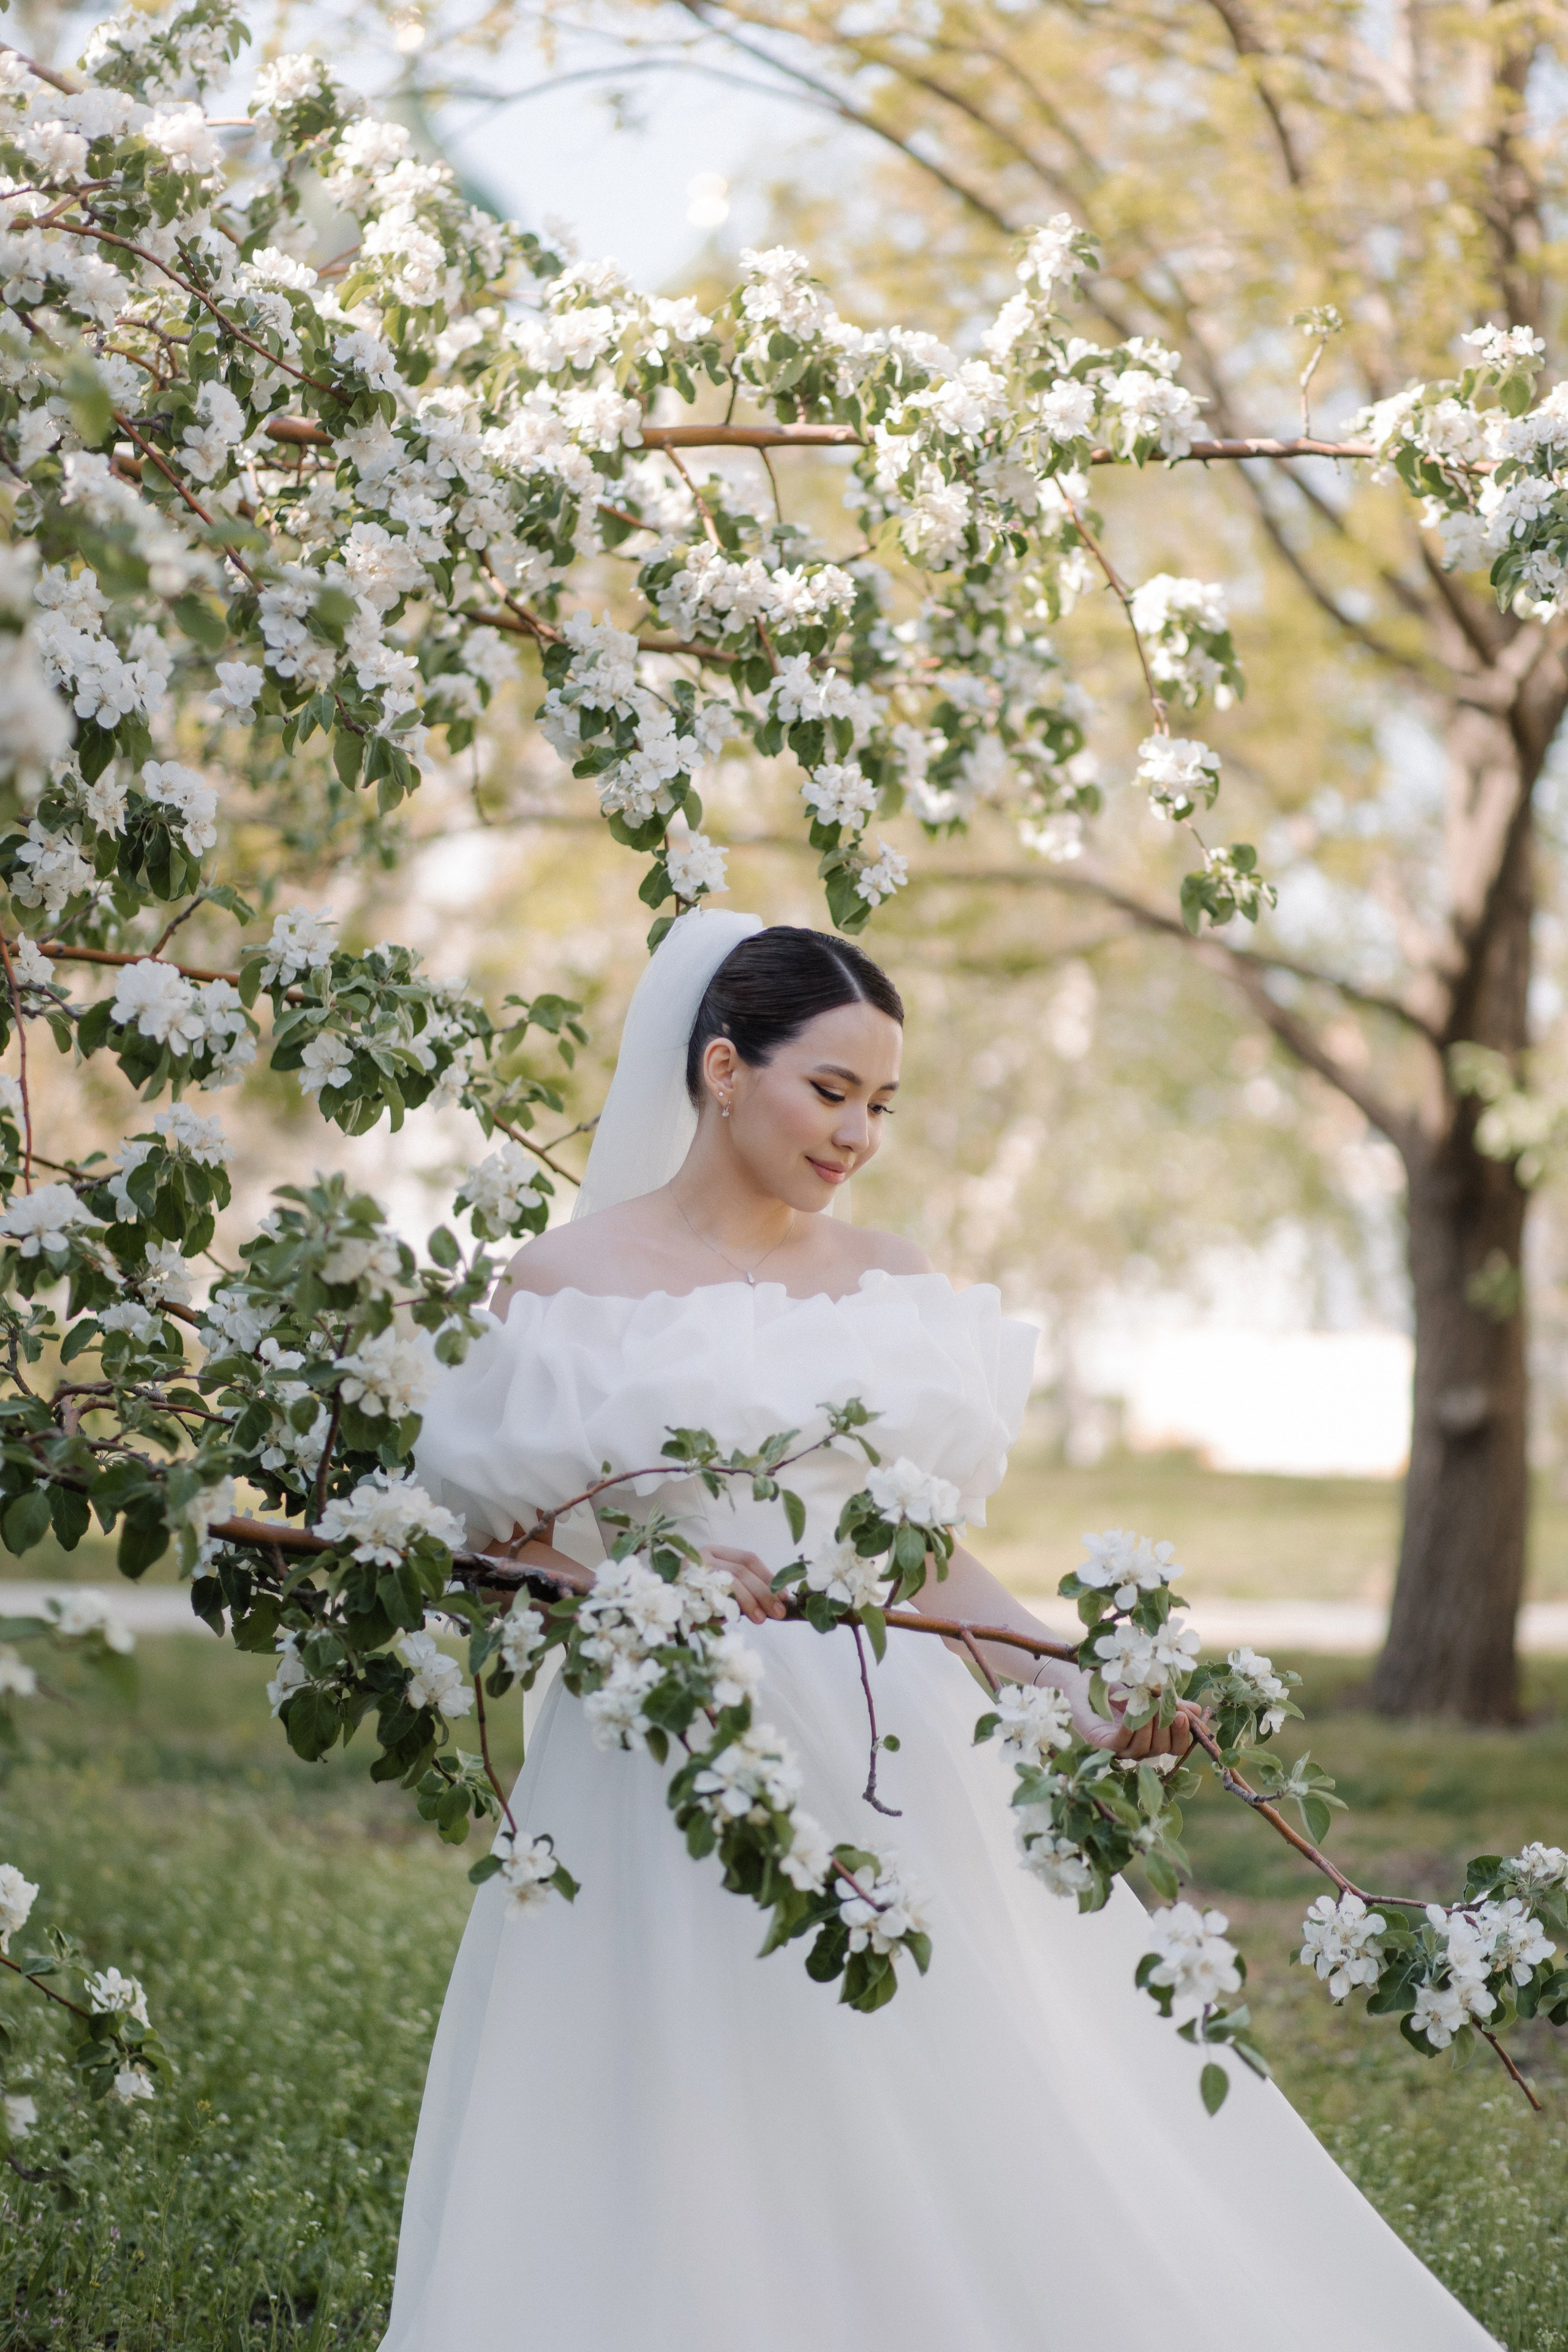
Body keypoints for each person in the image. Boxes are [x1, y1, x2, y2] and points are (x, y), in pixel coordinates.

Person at [382, 909, 1494, 2352]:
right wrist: (645, 1580)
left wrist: (1076, 1682)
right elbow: (492, 1543)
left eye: (881, 1105)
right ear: (723, 1068)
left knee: (946, 2090)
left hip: (882, 1742)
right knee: (682, 2097)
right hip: (663, 1755)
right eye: (828, 1092)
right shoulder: (564, 1285)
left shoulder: (886, 1282)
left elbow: (920, 1557)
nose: (857, 1134)